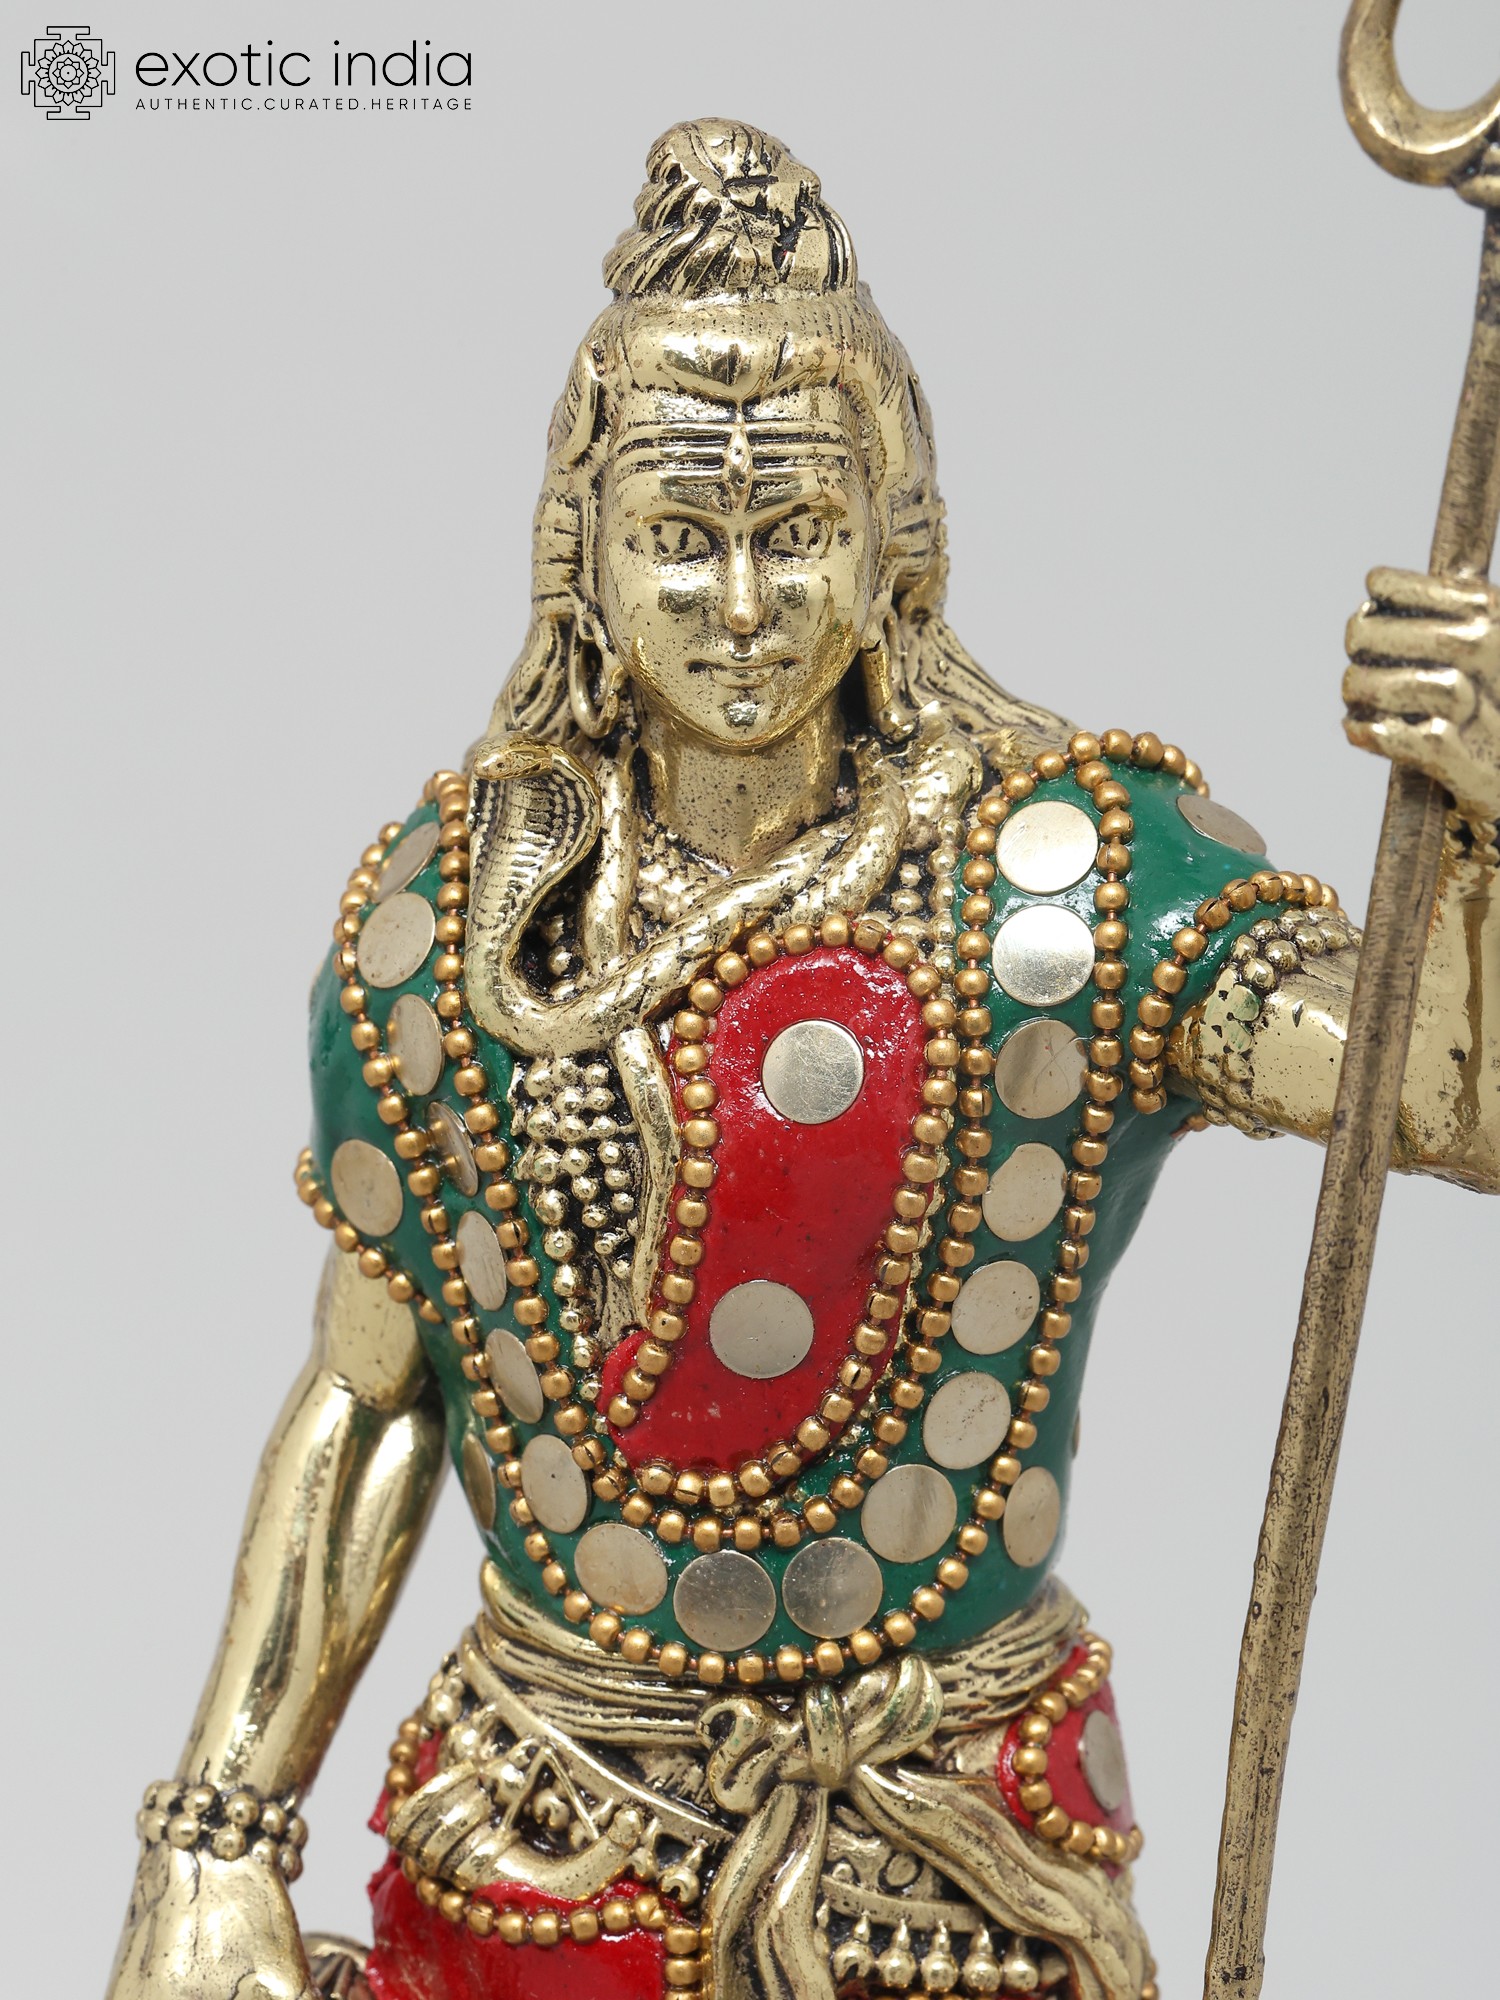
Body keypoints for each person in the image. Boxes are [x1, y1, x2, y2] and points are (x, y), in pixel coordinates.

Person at [105, 120, 1498, 2000]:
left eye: (799, 534)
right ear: (582, 556)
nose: (747, 607)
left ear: (895, 543)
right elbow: (373, 1400)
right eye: (682, 541)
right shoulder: (448, 926)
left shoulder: (1071, 897)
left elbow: (1450, 1101)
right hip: (547, 1845)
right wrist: (215, 1838)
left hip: (951, 1872)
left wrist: (1487, 827)